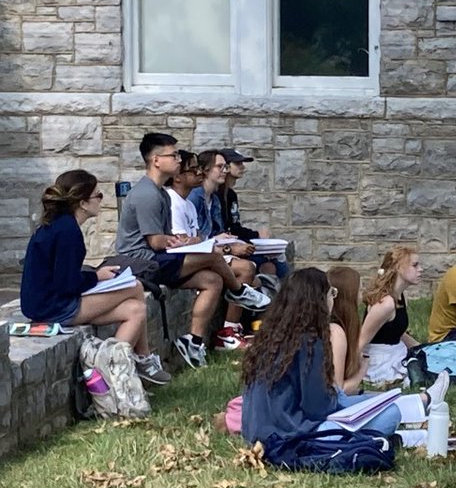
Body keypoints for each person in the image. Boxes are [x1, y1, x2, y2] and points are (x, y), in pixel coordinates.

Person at [240, 268, 449, 451]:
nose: (334, 298)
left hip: (257, 431)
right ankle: (380, 435)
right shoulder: (311, 341)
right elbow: (317, 408)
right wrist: (343, 401)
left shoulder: (271, 336)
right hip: (291, 434)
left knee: (374, 403)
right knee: (389, 415)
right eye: (331, 293)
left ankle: (405, 414)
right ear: (319, 300)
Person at [114, 132, 271, 369]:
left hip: (158, 258)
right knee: (213, 256)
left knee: (212, 280)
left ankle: (193, 341)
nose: (179, 159)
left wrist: (184, 240)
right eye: (174, 155)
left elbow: (165, 240)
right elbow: (156, 242)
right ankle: (239, 291)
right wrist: (185, 242)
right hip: (142, 262)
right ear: (156, 160)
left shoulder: (159, 193)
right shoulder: (147, 194)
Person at [20, 170, 171, 385]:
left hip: (42, 303)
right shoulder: (68, 232)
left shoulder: (58, 224)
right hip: (53, 307)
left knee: (135, 310)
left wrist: (94, 277)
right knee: (135, 286)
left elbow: (61, 275)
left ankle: (109, 376)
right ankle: (142, 361)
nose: (101, 200)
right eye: (98, 196)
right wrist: (96, 277)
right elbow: (67, 285)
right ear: (82, 203)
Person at [187, 149, 262, 350]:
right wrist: (227, 245)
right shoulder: (195, 197)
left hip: (214, 252)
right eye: (220, 167)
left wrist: (226, 241)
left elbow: (218, 232)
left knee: (256, 278)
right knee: (246, 269)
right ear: (205, 170)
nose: (224, 170)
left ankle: (243, 327)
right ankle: (226, 333)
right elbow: (196, 237)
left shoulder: (215, 199)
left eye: (225, 166)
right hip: (199, 256)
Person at [218, 148, 288, 278]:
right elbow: (227, 230)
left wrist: (255, 236)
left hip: (233, 243)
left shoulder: (231, 195)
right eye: (238, 164)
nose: (243, 167)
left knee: (274, 260)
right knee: (270, 262)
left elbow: (235, 227)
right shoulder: (216, 195)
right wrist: (256, 235)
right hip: (223, 248)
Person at [359, 246, 423, 384]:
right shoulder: (385, 304)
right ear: (399, 268)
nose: (420, 269)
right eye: (415, 265)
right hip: (381, 360)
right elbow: (361, 340)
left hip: (397, 352)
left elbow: (396, 332)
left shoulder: (401, 295)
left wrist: (421, 347)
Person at [328, 266, 367, 394]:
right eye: (360, 290)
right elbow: (338, 391)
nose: (362, 296)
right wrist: (363, 368)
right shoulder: (335, 332)